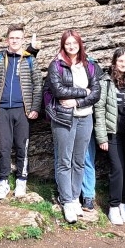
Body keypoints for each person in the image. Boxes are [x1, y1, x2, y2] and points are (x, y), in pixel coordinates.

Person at [46, 30, 102, 223]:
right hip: (63, 118)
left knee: (79, 161)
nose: (71, 46)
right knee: (64, 160)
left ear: (80, 44)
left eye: (74, 43)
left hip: (85, 117)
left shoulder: (89, 64)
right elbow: (58, 90)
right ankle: (67, 200)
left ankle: (76, 198)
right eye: (67, 43)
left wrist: (77, 101)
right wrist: (83, 91)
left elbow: (96, 93)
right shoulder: (56, 65)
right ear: (63, 45)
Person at [0, 24, 42, 200]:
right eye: (12, 38)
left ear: (23, 40)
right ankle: (3, 182)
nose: (14, 41)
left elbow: (38, 85)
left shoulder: (29, 59)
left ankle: (21, 181)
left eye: (18, 38)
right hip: (2, 110)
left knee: (22, 146)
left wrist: (34, 108)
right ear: (7, 39)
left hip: (22, 111)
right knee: (4, 147)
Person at [95, 48, 125, 225]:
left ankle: (124, 204)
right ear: (114, 62)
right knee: (117, 169)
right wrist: (102, 137)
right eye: (120, 61)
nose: (123, 64)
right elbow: (99, 109)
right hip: (113, 134)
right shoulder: (106, 82)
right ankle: (113, 205)